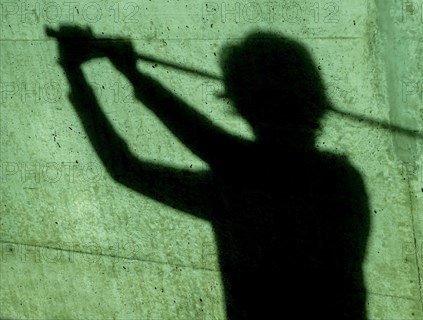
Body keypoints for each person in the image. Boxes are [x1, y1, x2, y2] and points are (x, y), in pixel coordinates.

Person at [51, 24, 371, 319]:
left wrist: (92, 72)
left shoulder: (241, 180)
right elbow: (143, 164)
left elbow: (133, 164)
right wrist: (119, 74)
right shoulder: (342, 179)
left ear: (243, 102)